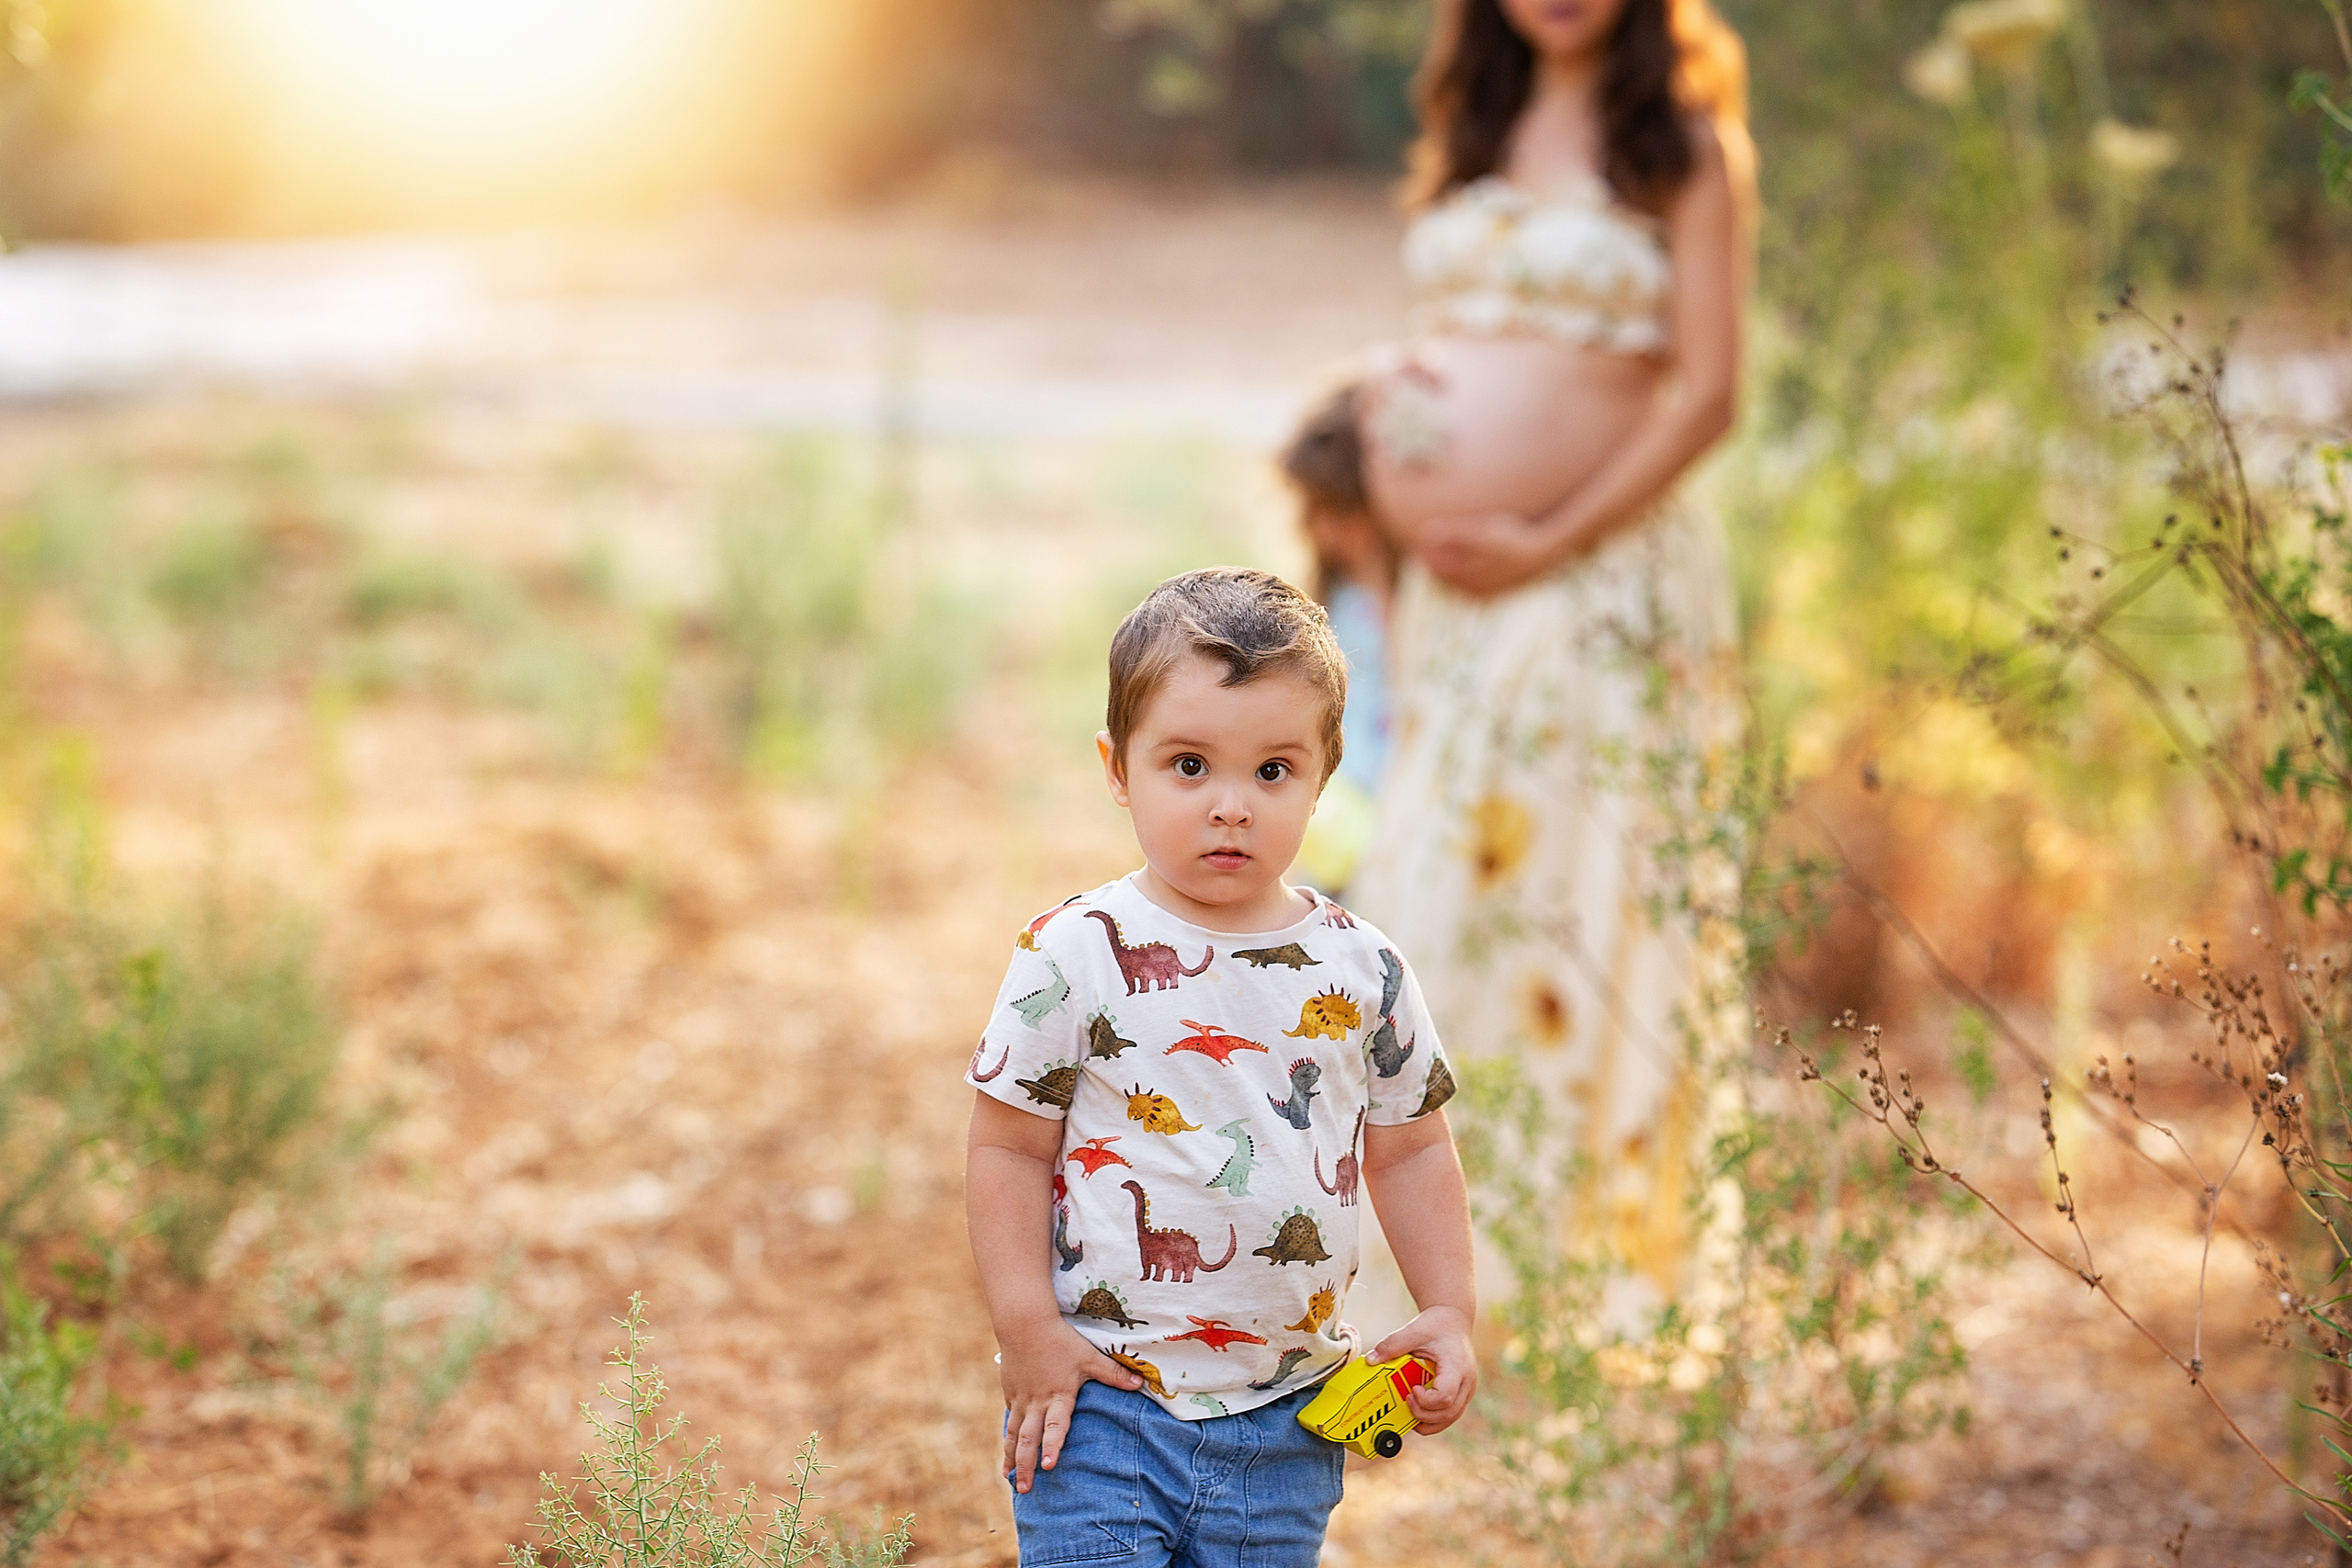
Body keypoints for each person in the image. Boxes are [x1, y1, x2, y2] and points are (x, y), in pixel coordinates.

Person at [1348, 0, 1754, 1329]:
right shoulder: (1474, 120)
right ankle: (1426, 1285)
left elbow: (1706, 392)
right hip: (1465, 592)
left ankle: (1578, 1293)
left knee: (1576, 899)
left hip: (1598, 576)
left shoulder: (1682, 144)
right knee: (1432, 886)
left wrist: (1548, 534)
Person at [965, 568, 1477, 1567]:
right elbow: (1007, 1150)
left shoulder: (1362, 968)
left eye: (1272, 771)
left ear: (1326, 773)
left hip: (1289, 1422)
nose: (1230, 807)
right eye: (1189, 765)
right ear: (1119, 769)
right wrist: (1025, 1328)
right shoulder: (1073, 953)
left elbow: (1411, 1151)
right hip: (1102, 1403)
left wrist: (1449, 1309)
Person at [1277, 382, 1398, 897]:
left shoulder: (1412, 602)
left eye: (1346, 512)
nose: (1329, 530)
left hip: (1393, 799)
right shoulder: (1339, 599)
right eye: (1318, 510)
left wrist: (1381, 573)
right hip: (1338, 805)